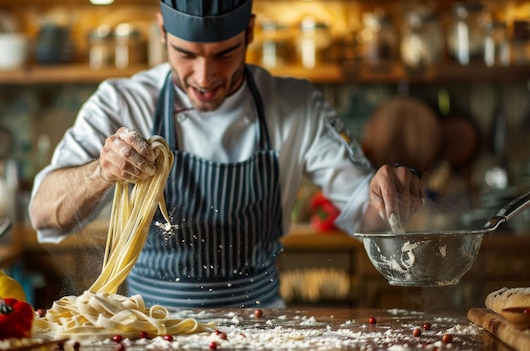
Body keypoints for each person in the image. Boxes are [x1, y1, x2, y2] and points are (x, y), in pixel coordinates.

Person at [29, 0, 425, 308]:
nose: (204, 77)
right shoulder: (122, 102)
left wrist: (389, 197)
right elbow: (44, 214)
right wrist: (101, 171)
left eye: (223, 54)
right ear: (162, 31)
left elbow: (368, 218)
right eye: (186, 54)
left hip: (261, 322)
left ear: (249, 32)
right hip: (146, 325)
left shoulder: (296, 105)